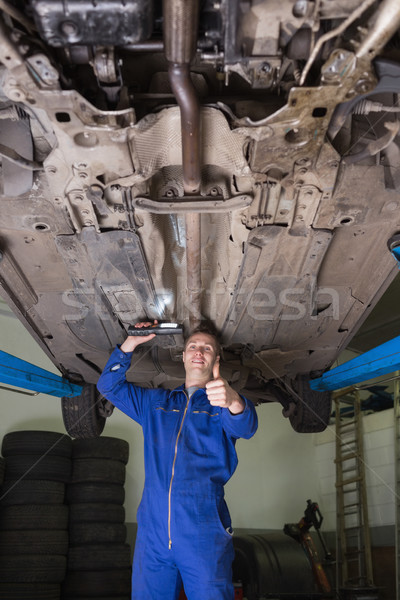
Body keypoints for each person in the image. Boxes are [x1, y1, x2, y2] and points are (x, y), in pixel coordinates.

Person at [97, 321, 258, 600]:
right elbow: (108, 386)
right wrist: (130, 344)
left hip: (203, 531)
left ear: (216, 359)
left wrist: (233, 400)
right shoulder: (155, 404)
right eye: (193, 346)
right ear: (183, 356)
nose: (199, 351)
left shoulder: (220, 408)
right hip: (153, 535)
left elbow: (247, 427)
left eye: (207, 348)